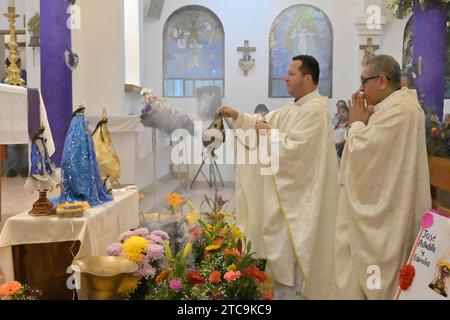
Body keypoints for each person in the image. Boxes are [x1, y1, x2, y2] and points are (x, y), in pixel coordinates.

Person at [218, 55, 339, 300]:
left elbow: (298, 151)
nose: (286, 77)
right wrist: (237, 116)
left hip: (298, 202)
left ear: (307, 78)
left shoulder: (315, 111)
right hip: (283, 199)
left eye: (291, 73)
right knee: (279, 266)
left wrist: (270, 134)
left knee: (293, 266)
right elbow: (262, 123)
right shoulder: (292, 109)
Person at [334, 54, 431, 299]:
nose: (361, 89)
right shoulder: (392, 107)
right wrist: (362, 124)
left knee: (383, 280)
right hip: (387, 205)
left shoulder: (401, 111)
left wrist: (356, 125)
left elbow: (363, 155)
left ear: (382, 80)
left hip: (391, 216)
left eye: (363, 81)